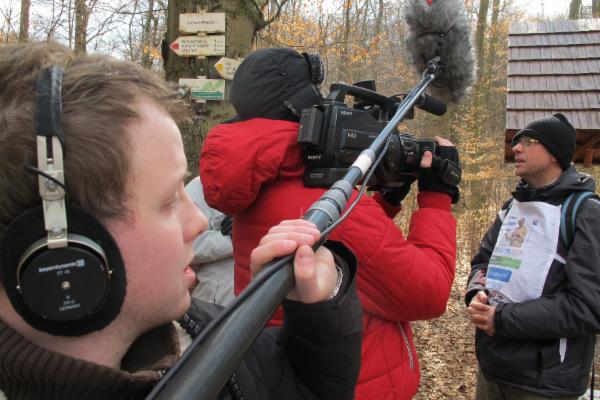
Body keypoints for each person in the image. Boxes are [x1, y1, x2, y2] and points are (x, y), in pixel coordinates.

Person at [0, 42, 362, 399]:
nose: (199, 222)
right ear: (62, 251)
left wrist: (317, 313)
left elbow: (297, 388)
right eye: (170, 199)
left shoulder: (194, 326)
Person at [199, 47, 459, 400]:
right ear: (305, 107)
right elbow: (429, 293)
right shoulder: (318, 200)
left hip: (289, 377)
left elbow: (354, 264)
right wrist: (438, 197)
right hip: (359, 385)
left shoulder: (261, 183)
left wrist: (386, 201)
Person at [465, 113, 600, 399]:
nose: (516, 148)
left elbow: (588, 306)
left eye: (528, 141)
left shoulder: (586, 213)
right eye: (516, 142)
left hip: (545, 382)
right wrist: (476, 291)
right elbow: (483, 261)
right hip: (492, 367)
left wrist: (502, 319)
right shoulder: (512, 207)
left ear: (555, 154)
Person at [185, 175, 235, 305]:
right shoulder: (200, 186)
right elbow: (184, 245)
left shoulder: (274, 185)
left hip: (264, 299)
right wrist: (233, 239)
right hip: (214, 304)